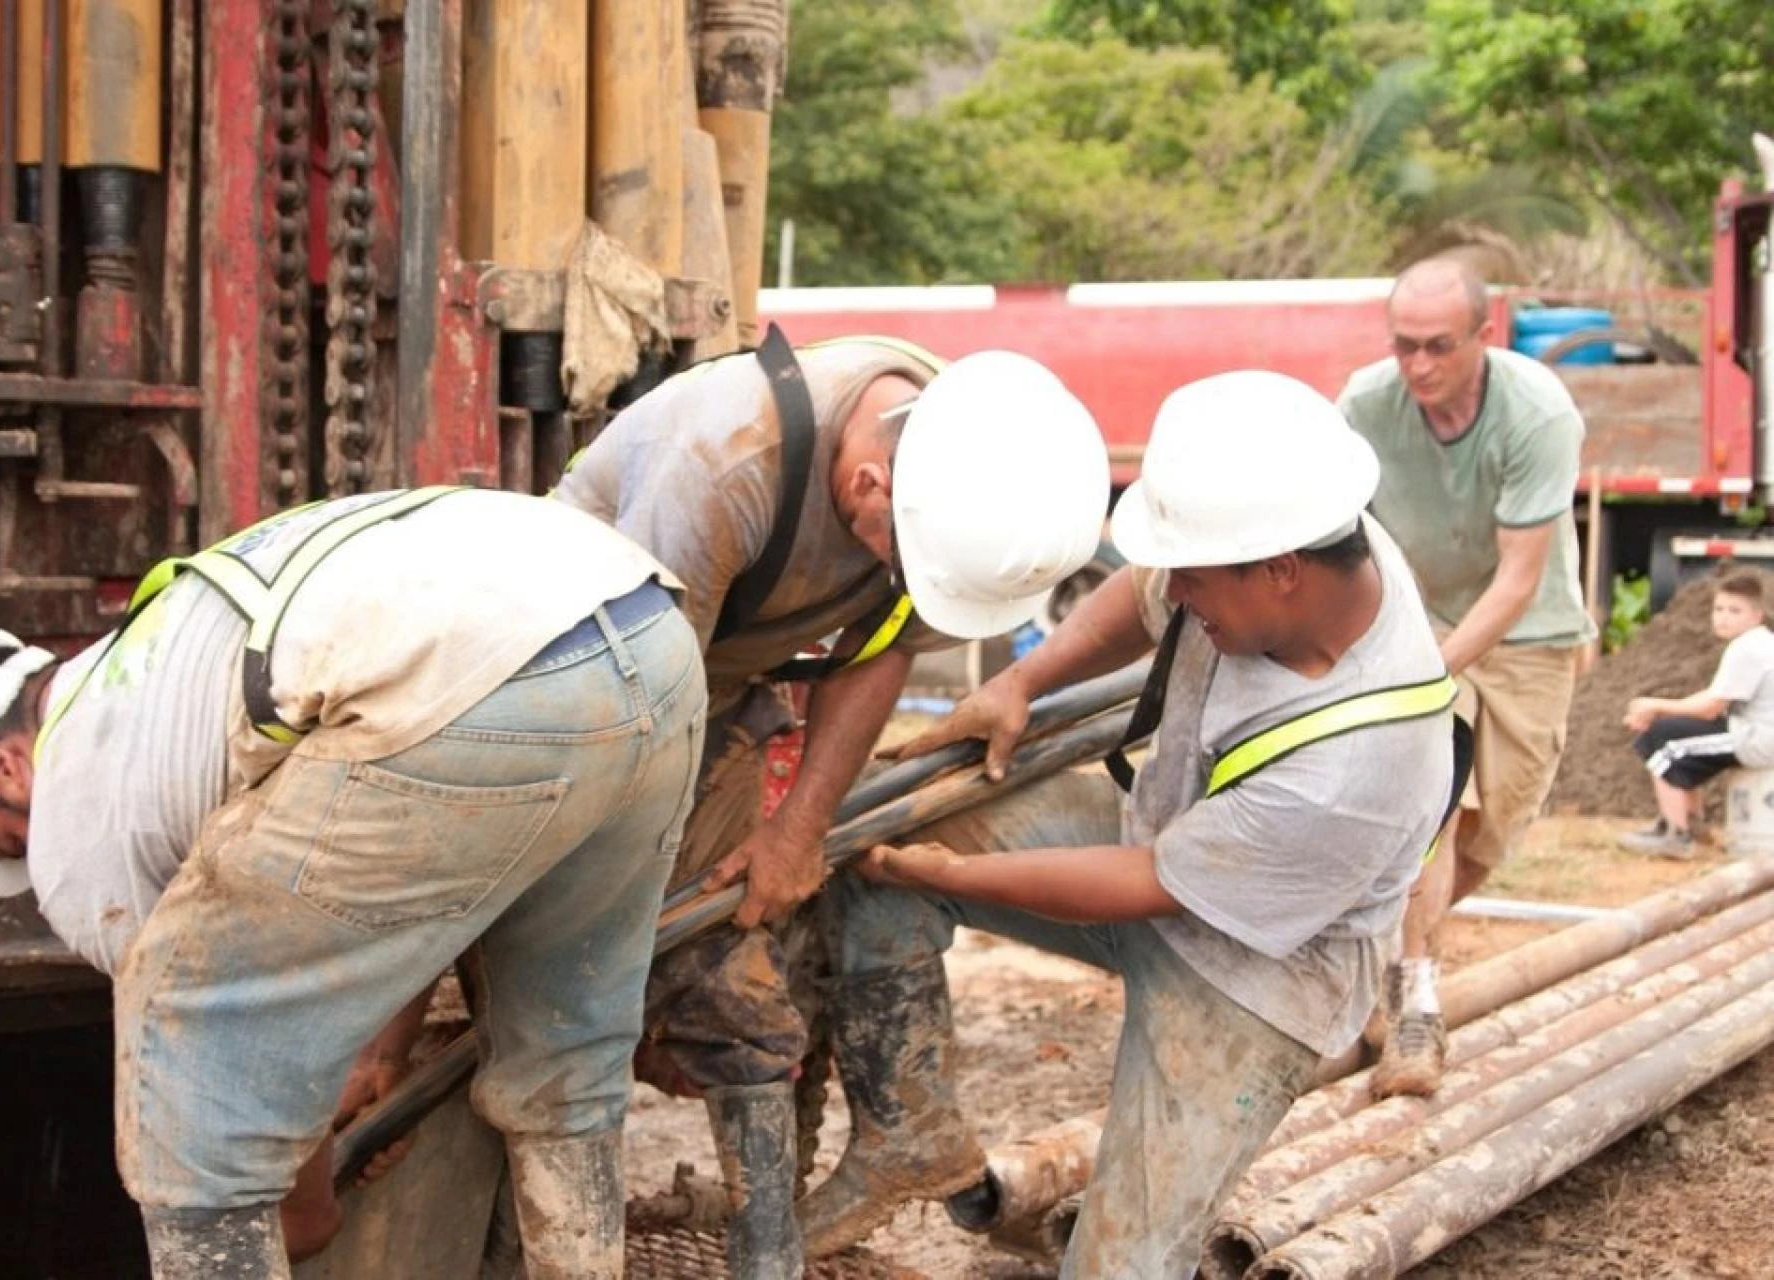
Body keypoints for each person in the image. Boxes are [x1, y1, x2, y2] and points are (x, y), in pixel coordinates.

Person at [0, 487, 706, 1280]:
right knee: (567, 1066)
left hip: (488, 686)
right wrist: (381, 1055)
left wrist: (305, 1207)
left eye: (3, 837)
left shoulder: (78, 809)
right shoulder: (159, 657)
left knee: (176, 1031)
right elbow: (403, 884)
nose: (26, 854)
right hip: (646, 629)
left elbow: (225, 1033)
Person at [800, 371, 1458, 1274]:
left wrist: (944, 877)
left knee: (1121, 1264)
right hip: (1160, 834)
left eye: (1194, 576)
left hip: (1254, 979)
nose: (1175, 590)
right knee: (871, 869)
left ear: (1280, 573)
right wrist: (1017, 686)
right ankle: (906, 1135)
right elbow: (1146, 598)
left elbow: (1140, 889)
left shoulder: (1357, 771)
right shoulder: (1302, 534)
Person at [554, 331, 1110, 1275]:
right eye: (893, 551)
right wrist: (635, 935)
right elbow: (637, 716)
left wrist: (797, 829)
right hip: (581, 691)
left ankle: (765, 1245)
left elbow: (884, 642)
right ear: (863, 487)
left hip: (715, 688)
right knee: (573, 986)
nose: (897, 573)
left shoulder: (960, 469)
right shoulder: (724, 469)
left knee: (746, 962)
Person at [1337, 257, 1596, 1097]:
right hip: (1421, 619)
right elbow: (1339, 534)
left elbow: (1518, 581)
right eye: (1404, 346)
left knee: (1492, 835)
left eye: (1438, 347)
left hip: (1527, 628)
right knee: (1432, 812)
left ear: (1485, 336)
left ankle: (1390, 960)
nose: (1418, 366)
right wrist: (1397, 667)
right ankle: (1414, 1002)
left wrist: (1430, 669)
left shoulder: (1537, 415)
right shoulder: (1366, 406)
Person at [1621, 570, 1774, 857]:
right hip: (1753, 731)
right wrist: (1661, 710)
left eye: (1734, 610)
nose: (1723, 617)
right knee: (1672, 732)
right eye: (1718, 609)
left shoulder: (1749, 648)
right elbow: (1712, 700)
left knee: (1664, 743)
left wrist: (1655, 707)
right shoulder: (1755, 643)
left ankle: (1677, 834)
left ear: (1756, 616)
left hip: (1760, 738)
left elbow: (1710, 708)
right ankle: (1692, 825)